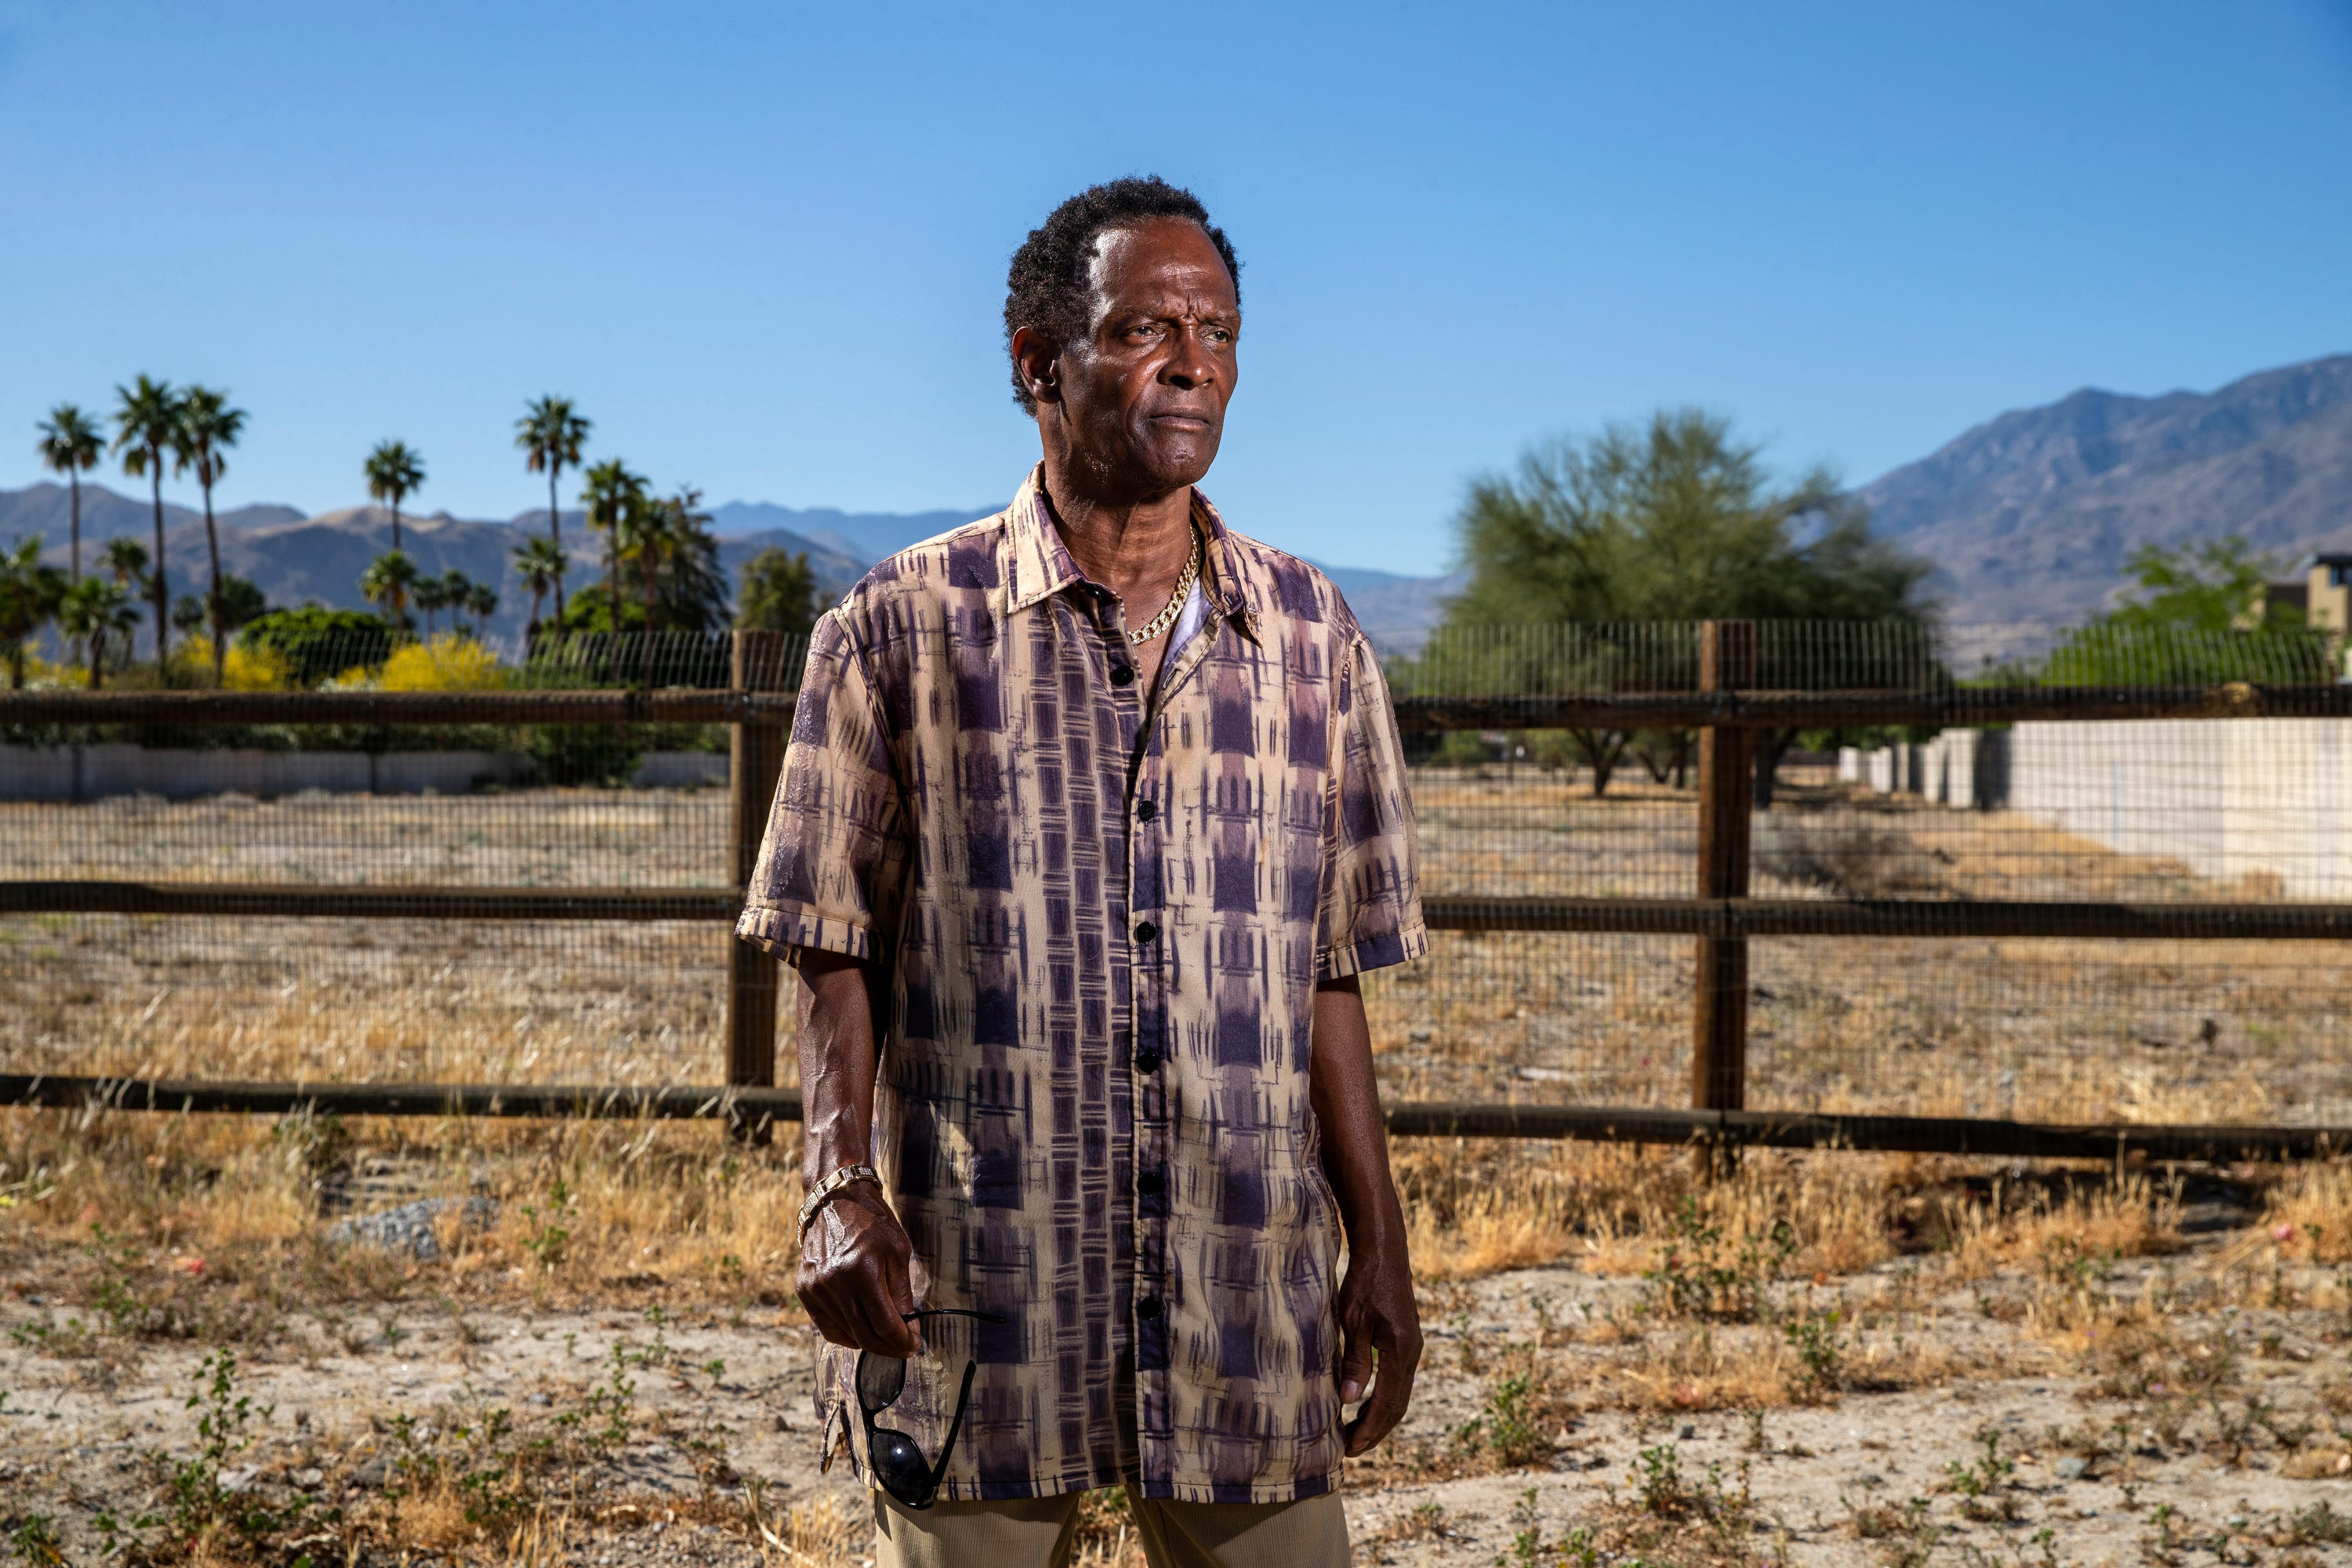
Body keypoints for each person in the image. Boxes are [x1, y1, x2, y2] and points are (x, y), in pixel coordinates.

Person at [739, 175, 1425, 1568]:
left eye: (1218, 331)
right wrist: (834, 1186)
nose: (1193, 362)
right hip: (980, 1304)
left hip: (1243, 1303)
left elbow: (1331, 972)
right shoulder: (898, 628)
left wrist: (1385, 1245)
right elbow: (825, 941)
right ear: (1037, 365)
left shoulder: (1312, 635)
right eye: (1144, 330)